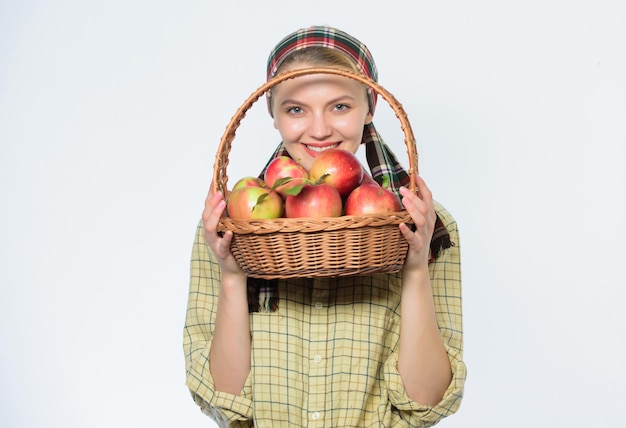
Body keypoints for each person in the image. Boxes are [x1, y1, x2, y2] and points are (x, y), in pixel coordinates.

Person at [183, 25, 466, 427]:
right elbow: (228, 404)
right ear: (274, 115)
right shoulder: (232, 226)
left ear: (369, 109)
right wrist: (233, 274)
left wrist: (416, 266)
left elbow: (426, 401)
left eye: (340, 106)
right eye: (295, 109)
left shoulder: (420, 221)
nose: (318, 130)